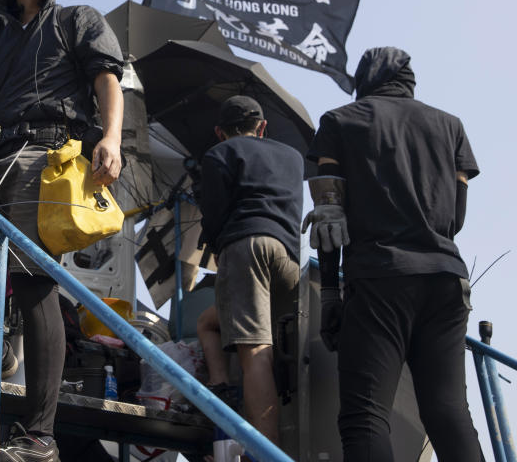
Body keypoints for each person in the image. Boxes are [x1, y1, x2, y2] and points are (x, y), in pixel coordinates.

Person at [0, 0, 124, 461]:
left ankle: (39, 436)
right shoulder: (0, 49)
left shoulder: (78, 18)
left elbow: (108, 79)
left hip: (49, 156)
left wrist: (111, 138)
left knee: (34, 281)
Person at [303, 47, 482, 461]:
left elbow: (330, 221)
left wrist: (330, 294)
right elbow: (454, 219)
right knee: (448, 412)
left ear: (365, 78)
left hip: (380, 278)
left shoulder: (339, 122)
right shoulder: (451, 126)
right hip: (446, 280)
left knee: (364, 415)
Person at [193, 96, 302, 447]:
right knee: (209, 323)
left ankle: (263, 451)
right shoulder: (293, 157)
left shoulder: (219, 154)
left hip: (246, 250)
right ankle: (221, 387)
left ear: (219, 132)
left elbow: (214, 218)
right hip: (288, 259)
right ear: (263, 126)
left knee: (255, 352)